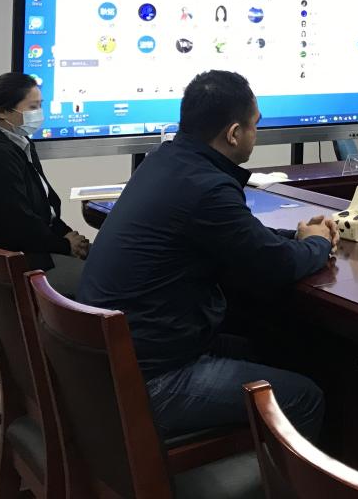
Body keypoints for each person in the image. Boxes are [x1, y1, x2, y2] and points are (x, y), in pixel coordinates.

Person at [77, 70, 334, 439]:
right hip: (152, 379)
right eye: (255, 125)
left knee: (272, 347)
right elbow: (275, 265)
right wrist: (319, 243)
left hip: (112, 358)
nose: (256, 134)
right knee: (304, 397)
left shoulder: (165, 160)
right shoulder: (207, 187)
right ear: (234, 133)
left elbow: (240, 238)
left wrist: (297, 235)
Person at [0, 72, 90, 294]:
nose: (39, 113)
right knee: (107, 281)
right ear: (2, 111)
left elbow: (43, 207)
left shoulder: (17, 142)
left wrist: (68, 237)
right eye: (32, 107)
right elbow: (15, 225)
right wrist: (64, 245)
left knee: (110, 261)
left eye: (40, 105)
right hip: (6, 264)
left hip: (28, 249)